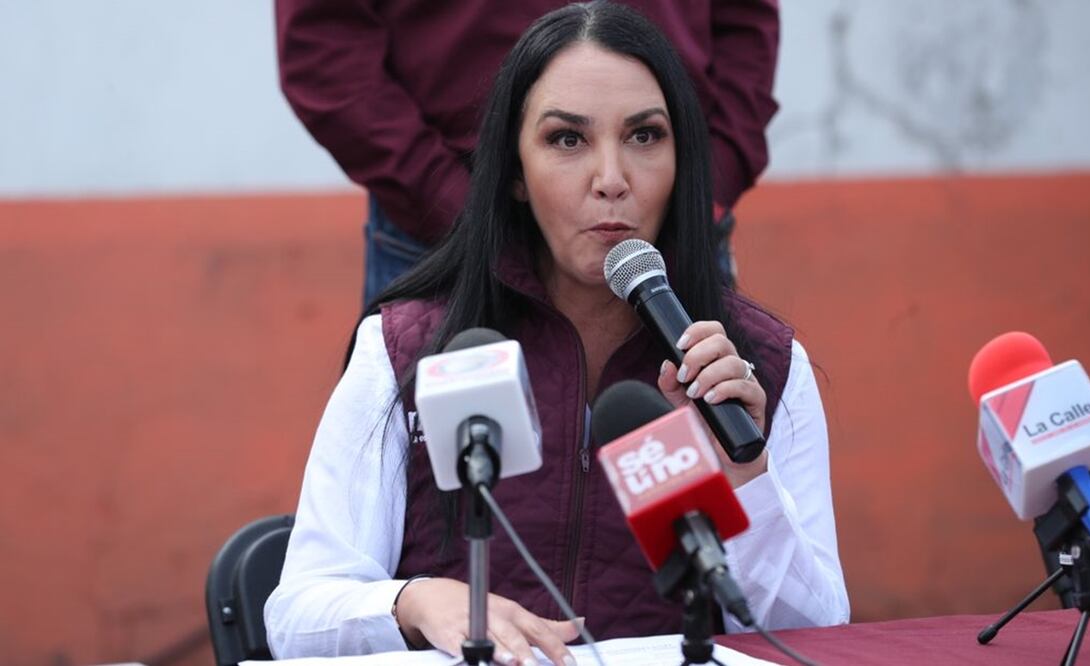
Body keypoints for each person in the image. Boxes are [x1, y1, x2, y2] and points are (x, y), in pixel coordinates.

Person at [265, 3, 848, 664]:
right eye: (567, 140)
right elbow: (297, 615)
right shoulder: (405, 350)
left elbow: (816, 631)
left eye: (645, 136)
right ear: (513, 170)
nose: (611, 181)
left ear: (685, 159)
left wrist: (744, 479)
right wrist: (416, 603)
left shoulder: (755, 366)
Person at [275, 0, 781, 308]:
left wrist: (709, 182)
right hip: (443, 227)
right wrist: (455, 203)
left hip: (667, 223)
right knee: (440, 455)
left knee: (702, 448)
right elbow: (323, 40)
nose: (604, 177)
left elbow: (746, 22)